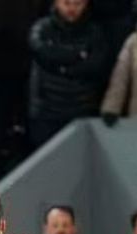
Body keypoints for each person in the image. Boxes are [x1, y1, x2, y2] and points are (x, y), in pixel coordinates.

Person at [27, 0, 109, 146]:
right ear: (57, 3)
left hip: (82, 109)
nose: (72, 8)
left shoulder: (95, 32)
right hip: (47, 110)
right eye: (67, 3)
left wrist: (62, 67)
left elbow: (94, 65)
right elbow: (42, 53)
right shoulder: (41, 28)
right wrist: (78, 54)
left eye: (77, 4)